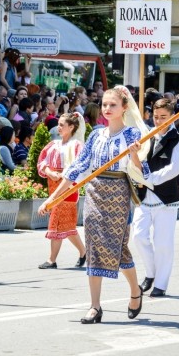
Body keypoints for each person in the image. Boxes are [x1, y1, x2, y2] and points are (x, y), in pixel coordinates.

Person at [39, 86, 151, 323]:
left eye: (113, 105)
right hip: (94, 194)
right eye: (105, 104)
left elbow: (143, 174)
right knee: (93, 247)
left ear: (124, 108)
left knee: (118, 249)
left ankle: (135, 291)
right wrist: (53, 198)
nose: (107, 109)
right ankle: (95, 306)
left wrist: (133, 154)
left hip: (119, 194)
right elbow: (78, 167)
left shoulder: (132, 135)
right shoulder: (96, 135)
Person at [132, 99, 179, 298]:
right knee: (138, 235)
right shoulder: (148, 136)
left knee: (163, 242)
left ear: (172, 116)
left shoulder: (178, 139)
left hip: (166, 197)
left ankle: (161, 283)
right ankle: (150, 272)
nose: (158, 121)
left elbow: (176, 167)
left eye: (163, 117)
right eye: (155, 117)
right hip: (145, 195)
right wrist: (135, 156)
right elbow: (141, 161)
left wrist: (151, 179)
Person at [36, 113, 87, 270]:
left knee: (58, 221)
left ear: (71, 127)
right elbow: (42, 160)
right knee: (66, 225)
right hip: (53, 182)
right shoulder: (53, 144)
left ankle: (52, 260)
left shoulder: (77, 145)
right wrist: (50, 171)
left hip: (69, 186)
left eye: (62, 125)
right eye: (58, 124)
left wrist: (64, 175)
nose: (58, 127)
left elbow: (79, 168)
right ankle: (84, 252)